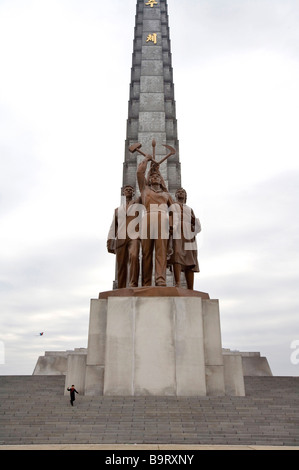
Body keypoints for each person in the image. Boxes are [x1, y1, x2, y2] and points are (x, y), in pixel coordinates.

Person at [137, 157, 174, 286]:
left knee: (161, 251)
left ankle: (160, 279)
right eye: (152, 176)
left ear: (161, 179)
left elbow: (174, 210)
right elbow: (139, 173)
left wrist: (171, 223)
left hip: (162, 221)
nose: (155, 178)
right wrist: (146, 160)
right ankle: (146, 281)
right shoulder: (145, 190)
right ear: (149, 178)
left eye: (157, 176)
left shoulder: (166, 195)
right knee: (146, 252)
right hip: (147, 219)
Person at [107, 185, 141, 288]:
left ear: (133, 192)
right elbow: (113, 226)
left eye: (131, 190)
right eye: (127, 190)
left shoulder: (138, 205)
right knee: (121, 264)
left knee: (134, 256)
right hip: (121, 237)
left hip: (134, 236)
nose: (129, 191)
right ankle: (121, 288)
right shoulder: (117, 210)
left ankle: (133, 283)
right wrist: (110, 240)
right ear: (123, 192)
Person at [170, 188, 201, 290]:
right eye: (178, 192)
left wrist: (195, 225)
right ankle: (177, 283)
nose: (180, 193)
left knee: (190, 259)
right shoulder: (173, 206)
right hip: (177, 232)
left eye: (182, 192)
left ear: (185, 196)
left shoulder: (189, 209)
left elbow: (196, 224)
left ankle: (190, 288)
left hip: (189, 234)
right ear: (175, 195)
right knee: (177, 255)